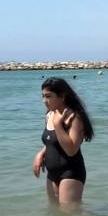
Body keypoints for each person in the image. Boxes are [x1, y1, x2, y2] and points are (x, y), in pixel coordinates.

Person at [33, 77, 94, 208]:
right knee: (56, 215)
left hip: (71, 172)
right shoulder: (49, 115)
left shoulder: (74, 117)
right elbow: (51, 141)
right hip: (52, 173)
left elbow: (71, 150)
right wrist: (40, 154)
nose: (44, 101)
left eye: (49, 96)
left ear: (62, 96)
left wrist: (58, 125)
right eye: (43, 96)